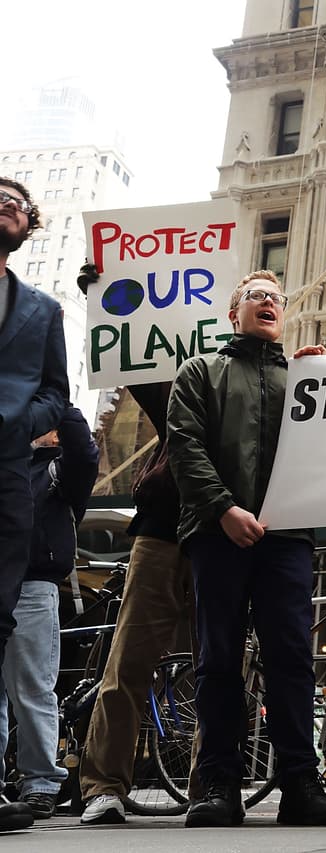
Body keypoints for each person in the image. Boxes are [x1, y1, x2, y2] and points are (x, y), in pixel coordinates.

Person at [167, 269, 326, 828]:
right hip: (216, 535)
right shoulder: (200, 371)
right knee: (219, 660)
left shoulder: (303, 377)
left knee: (292, 659)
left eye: (276, 297)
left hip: (287, 538)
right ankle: (219, 786)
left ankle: (301, 785)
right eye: (256, 296)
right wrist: (223, 509)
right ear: (234, 313)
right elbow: (184, 445)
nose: (269, 302)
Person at [74, 264, 202, 826]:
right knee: (127, 662)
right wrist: (104, 299)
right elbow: (135, 360)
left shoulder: (267, 382)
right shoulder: (183, 381)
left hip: (227, 538)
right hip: (163, 529)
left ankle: (209, 784)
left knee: (218, 665)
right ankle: (103, 786)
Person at [0, 176, 68, 832]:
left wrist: (17, 423)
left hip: (7, 482)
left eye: (15, 203)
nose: (4, 206)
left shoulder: (43, 310)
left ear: (28, 224)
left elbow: (57, 394)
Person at [0, 407, 97, 819]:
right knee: (27, 689)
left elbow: (85, 452)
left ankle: (41, 782)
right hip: (16, 582)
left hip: (32, 583)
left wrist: (57, 396)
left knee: (32, 688)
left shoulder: (59, 471)